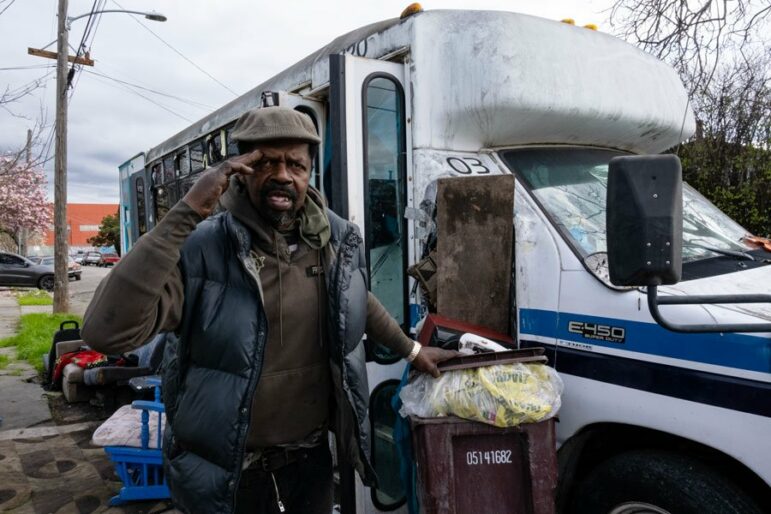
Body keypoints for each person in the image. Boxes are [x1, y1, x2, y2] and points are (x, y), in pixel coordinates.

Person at [82, 107, 457, 514]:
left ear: (309, 171)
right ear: (239, 170)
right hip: (227, 474)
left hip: (309, 462)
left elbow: (357, 300)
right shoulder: (200, 249)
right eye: (266, 163)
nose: (283, 175)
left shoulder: (334, 241)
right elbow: (107, 333)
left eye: (295, 164)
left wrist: (413, 352)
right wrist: (187, 211)